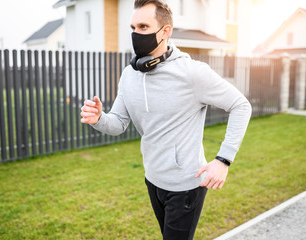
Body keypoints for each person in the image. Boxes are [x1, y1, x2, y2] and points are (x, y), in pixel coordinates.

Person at [81, 0, 252, 239]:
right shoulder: (129, 75)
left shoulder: (192, 73)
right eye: (133, 27)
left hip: (186, 185)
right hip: (152, 179)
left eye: (143, 26)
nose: (135, 34)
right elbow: (118, 123)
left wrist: (223, 160)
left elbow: (241, 105)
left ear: (165, 32)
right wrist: (99, 118)